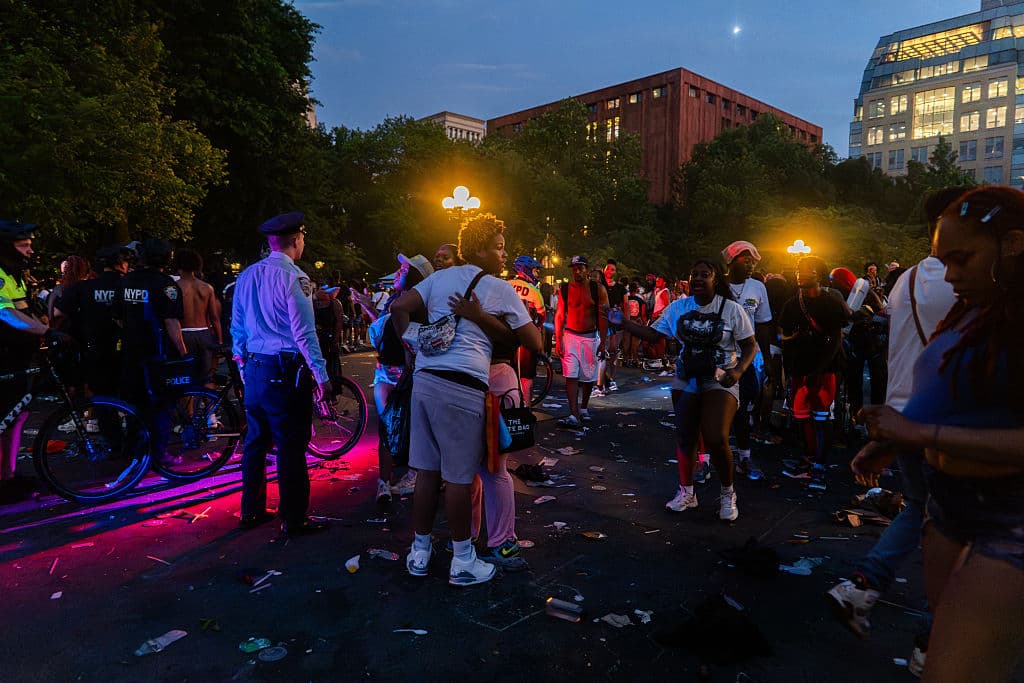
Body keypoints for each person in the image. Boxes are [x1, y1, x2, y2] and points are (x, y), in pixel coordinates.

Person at [853, 186, 1024, 681]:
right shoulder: (973, 309)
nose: (949, 274)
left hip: (1010, 520)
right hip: (947, 511)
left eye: (962, 258)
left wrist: (920, 430)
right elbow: (950, 386)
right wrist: (891, 440)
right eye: (941, 260)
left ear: (1012, 245)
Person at [827, 187, 961, 666]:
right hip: (948, 420)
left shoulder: (904, 280)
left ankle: (863, 585)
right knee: (961, 528)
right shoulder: (971, 282)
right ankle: (932, 638)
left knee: (922, 510)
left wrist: (886, 431)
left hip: (902, 412)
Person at [390, 214, 539, 586]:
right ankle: (463, 560)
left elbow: (397, 307)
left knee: (427, 473)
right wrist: (484, 318)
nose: (505, 254)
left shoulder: (438, 279)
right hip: (462, 385)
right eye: (499, 247)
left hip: (425, 382)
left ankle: (419, 554)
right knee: (460, 477)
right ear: (478, 249)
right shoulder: (499, 289)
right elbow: (535, 342)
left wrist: (413, 344)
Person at [621, 258, 756, 519]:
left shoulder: (731, 309)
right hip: (687, 377)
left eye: (704, 274)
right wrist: (623, 323)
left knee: (716, 436)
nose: (697, 279)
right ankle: (686, 492)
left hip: (719, 378)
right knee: (686, 436)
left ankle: (728, 493)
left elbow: (750, 345)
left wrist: (737, 371)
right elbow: (654, 335)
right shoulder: (678, 307)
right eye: (694, 274)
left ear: (715, 279)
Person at [231, 212, 332, 536]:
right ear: (295, 240)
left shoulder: (246, 276)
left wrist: (243, 366)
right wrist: (322, 374)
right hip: (284, 369)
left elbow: (237, 328)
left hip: (256, 366)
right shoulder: (295, 278)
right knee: (291, 445)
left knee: (256, 441)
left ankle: (251, 510)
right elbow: (304, 333)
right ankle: (294, 517)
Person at [0, 221, 61, 503]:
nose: (30, 249)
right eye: (23, 245)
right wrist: (48, 332)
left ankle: (8, 476)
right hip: (3, 357)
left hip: (18, 355)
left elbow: (25, 309)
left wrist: (44, 333)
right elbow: (7, 314)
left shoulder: (16, 275)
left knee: (16, 416)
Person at [365, 253, 432, 503]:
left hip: (407, 374)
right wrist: (367, 307)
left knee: (411, 427)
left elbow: (410, 341)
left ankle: (413, 476)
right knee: (386, 427)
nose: (397, 272)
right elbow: (387, 328)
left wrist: (409, 369)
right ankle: (384, 482)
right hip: (385, 370)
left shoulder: (420, 304)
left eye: (403, 269)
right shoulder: (394, 299)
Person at [114, 238, 188, 465]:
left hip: (130, 351)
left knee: (135, 404)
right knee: (162, 404)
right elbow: (171, 322)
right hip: (157, 352)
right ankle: (159, 453)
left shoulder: (126, 281)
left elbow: (118, 316)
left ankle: (134, 453)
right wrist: (183, 352)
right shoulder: (165, 285)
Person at [779, 255, 849, 491]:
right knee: (801, 416)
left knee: (821, 418)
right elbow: (784, 334)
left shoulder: (831, 301)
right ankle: (808, 458)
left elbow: (836, 339)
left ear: (818, 273)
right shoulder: (792, 303)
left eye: (806, 270)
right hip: (800, 369)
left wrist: (818, 369)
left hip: (825, 370)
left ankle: (819, 466)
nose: (800, 274)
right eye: (798, 269)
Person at [722, 241, 772, 480]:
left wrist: (768, 361)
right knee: (715, 407)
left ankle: (743, 456)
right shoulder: (718, 285)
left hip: (747, 357)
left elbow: (762, 326)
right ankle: (706, 459)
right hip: (721, 356)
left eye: (753, 260)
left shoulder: (758, 287)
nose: (751, 264)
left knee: (744, 405)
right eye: (746, 259)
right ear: (731, 261)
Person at [54, 245, 129, 396]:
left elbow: (57, 313)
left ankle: (96, 416)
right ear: (120, 263)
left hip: (92, 348)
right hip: (126, 349)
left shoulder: (81, 288)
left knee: (99, 393)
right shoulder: (129, 286)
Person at [553, 256, 608, 429]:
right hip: (570, 336)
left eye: (580, 268)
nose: (577, 271)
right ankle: (573, 413)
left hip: (590, 338)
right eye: (574, 268)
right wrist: (558, 339)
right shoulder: (565, 289)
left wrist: (603, 341)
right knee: (570, 375)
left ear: (587, 269)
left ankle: (583, 408)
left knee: (588, 377)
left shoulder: (597, 289)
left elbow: (603, 316)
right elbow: (560, 315)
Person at [829, 266, 888, 422]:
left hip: (869, 341)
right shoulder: (847, 293)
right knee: (859, 380)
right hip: (861, 342)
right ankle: (860, 414)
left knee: (872, 380)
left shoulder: (862, 293)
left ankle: (869, 415)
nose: (832, 283)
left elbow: (879, 310)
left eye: (834, 279)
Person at [174, 248, 222, 385]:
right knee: (207, 376)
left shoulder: (175, 288)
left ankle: (189, 407)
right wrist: (219, 341)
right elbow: (214, 318)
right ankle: (210, 403)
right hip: (204, 334)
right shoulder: (206, 288)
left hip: (182, 334)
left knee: (185, 378)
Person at [507, 255, 546, 399]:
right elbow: (541, 318)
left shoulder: (505, 285)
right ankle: (525, 410)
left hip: (503, 338)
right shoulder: (534, 291)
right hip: (526, 340)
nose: (537, 274)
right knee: (526, 376)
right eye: (535, 270)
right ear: (527, 270)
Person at [595, 259, 628, 396]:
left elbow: (626, 306)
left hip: (615, 324)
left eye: (613, 269)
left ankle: (611, 379)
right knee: (601, 353)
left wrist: (626, 323)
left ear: (615, 272)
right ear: (604, 270)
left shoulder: (620, 288)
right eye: (608, 268)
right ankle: (602, 381)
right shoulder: (598, 285)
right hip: (600, 323)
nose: (610, 271)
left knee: (613, 352)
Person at [47, 255, 91, 330]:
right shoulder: (87, 286)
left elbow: (52, 313)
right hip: (81, 329)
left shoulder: (60, 289)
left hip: (66, 329)